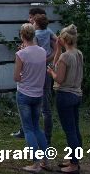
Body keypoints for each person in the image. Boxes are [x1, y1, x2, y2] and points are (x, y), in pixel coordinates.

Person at [11, 7, 57, 139]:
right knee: (27, 99)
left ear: (37, 19)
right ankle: (25, 130)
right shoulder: (33, 32)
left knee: (44, 106)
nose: (29, 20)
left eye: (32, 18)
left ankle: (45, 136)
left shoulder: (43, 33)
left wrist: (44, 60)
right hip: (36, 69)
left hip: (44, 70)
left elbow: (55, 47)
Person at [14, 23, 49, 173]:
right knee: (37, 128)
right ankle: (45, 160)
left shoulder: (21, 54)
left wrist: (23, 76)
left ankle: (35, 163)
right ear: (33, 35)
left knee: (28, 129)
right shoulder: (42, 52)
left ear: (22, 36)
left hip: (24, 94)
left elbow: (16, 76)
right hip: (38, 94)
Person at [47, 25, 83, 173]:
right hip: (77, 94)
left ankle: (74, 165)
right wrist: (58, 50)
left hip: (65, 95)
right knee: (75, 129)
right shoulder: (78, 53)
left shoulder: (65, 56)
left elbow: (59, 78)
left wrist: (51, 73)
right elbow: (58, 64)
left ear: (64, 39)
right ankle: (74, 159)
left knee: (70, 131)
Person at [33, 14, 56, 145]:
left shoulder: (35, 34)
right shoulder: (48, 31)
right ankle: (47, 137)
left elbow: (34, 49)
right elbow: (57, 40)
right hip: (47, 65)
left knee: (34, 101)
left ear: (37, 23)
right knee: (46, 103)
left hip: (38, 66)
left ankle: (35, 133)